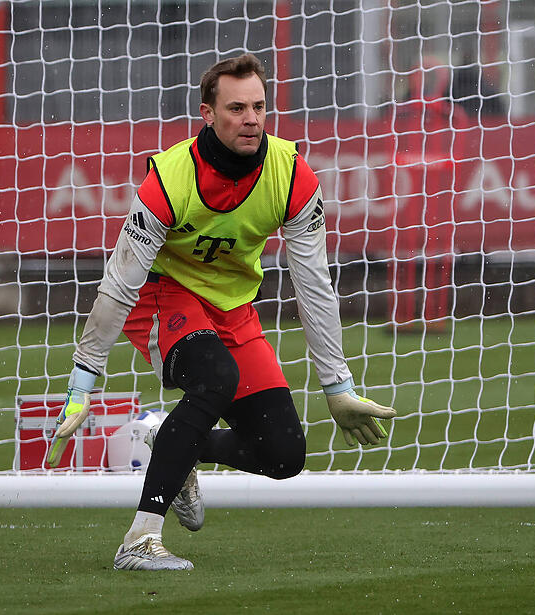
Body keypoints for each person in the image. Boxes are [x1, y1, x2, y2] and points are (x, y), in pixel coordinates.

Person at [45, 53, 397, 571]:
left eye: (258, 106)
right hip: (166, 299)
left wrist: (337, 386)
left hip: (234, 310)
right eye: (236, 108)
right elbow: (121, 280)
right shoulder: (169, 177)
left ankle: (174, 441)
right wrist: (82, 380)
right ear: (207, 113)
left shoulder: (292, 175)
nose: (251, 118)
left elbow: (314, 286)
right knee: (216, 378)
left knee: (284, 455)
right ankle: (140, 539)